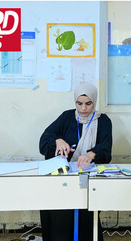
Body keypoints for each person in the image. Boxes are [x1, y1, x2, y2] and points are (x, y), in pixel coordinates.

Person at [39, 82, 112, 241]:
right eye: (79, 104)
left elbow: (106, 151)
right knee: (59, 212)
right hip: (64, 177)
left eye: (88, 104)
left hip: (88, 178)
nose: (83, 108)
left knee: (86, 214)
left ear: (94, 101)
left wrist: (92, 154)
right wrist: (57, 140)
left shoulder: (103, 121)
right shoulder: (67, 117)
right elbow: (44, 141)